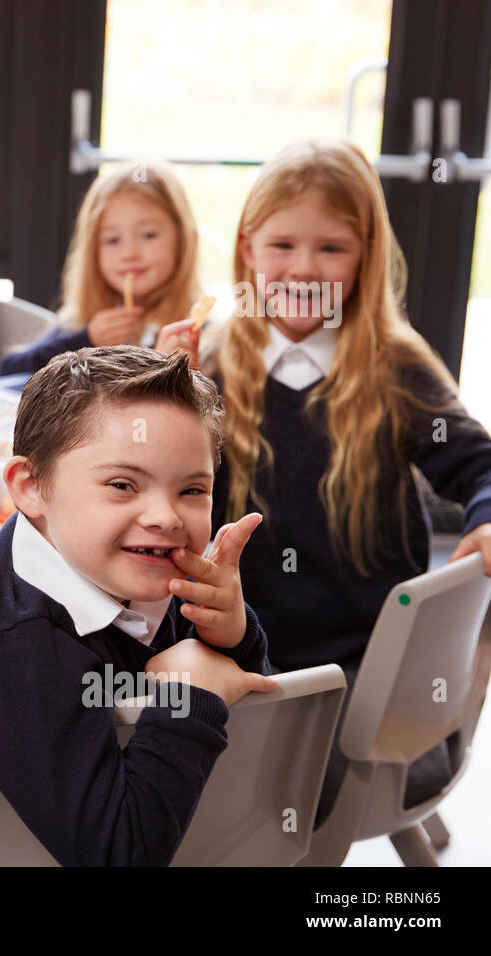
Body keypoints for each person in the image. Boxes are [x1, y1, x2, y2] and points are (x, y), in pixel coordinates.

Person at [0, 346, 276, 865]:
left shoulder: (132, 576)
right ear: (31, 488)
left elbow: (249, 721)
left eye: (192, 490)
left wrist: (228, 636)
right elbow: (122, 856)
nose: (165, 516)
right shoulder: (15, 641)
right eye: (122, 485)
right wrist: (187, 697)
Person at [193, 138, 491, 823]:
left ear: (366, 258)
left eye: (331, 248)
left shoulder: (394, 367)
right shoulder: (209, 355)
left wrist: (485, 516)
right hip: (229, 648)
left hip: (358, 671)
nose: (304, 268)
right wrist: (165, 391)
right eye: (282, 245)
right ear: (247, 249)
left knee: (235, 797)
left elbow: (481, 464)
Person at [2, 158, 202, 376]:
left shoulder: (200, 334)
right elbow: (9, 373)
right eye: (112, 240)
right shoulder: (79, 324)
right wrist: (85, 341)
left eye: (148, 235)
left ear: (183, 240)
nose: (130, 253)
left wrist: (174, 372)